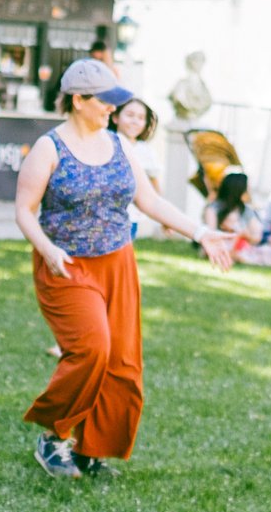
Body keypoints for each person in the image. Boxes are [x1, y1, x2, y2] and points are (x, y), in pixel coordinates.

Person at [16, 59, 238, 480]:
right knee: (92, 349)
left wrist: (201, 232)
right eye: (105, 101)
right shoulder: (50, 147)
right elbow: (24, 210)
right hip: (66, 264)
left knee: (121, 363)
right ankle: (53, 434)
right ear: (79, 100)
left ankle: (91, 448)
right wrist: (45, 249)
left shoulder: (120, 145)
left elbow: (151, 202)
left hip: (117, 261)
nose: (111, 110)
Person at [112, 97, 164, 237]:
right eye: (130, 115)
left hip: (131, 214)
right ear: (115, 117)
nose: (135, 121)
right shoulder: (106, 142)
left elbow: (154, 183)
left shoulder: (146, 151)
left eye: (141, 117)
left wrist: (163, 217)